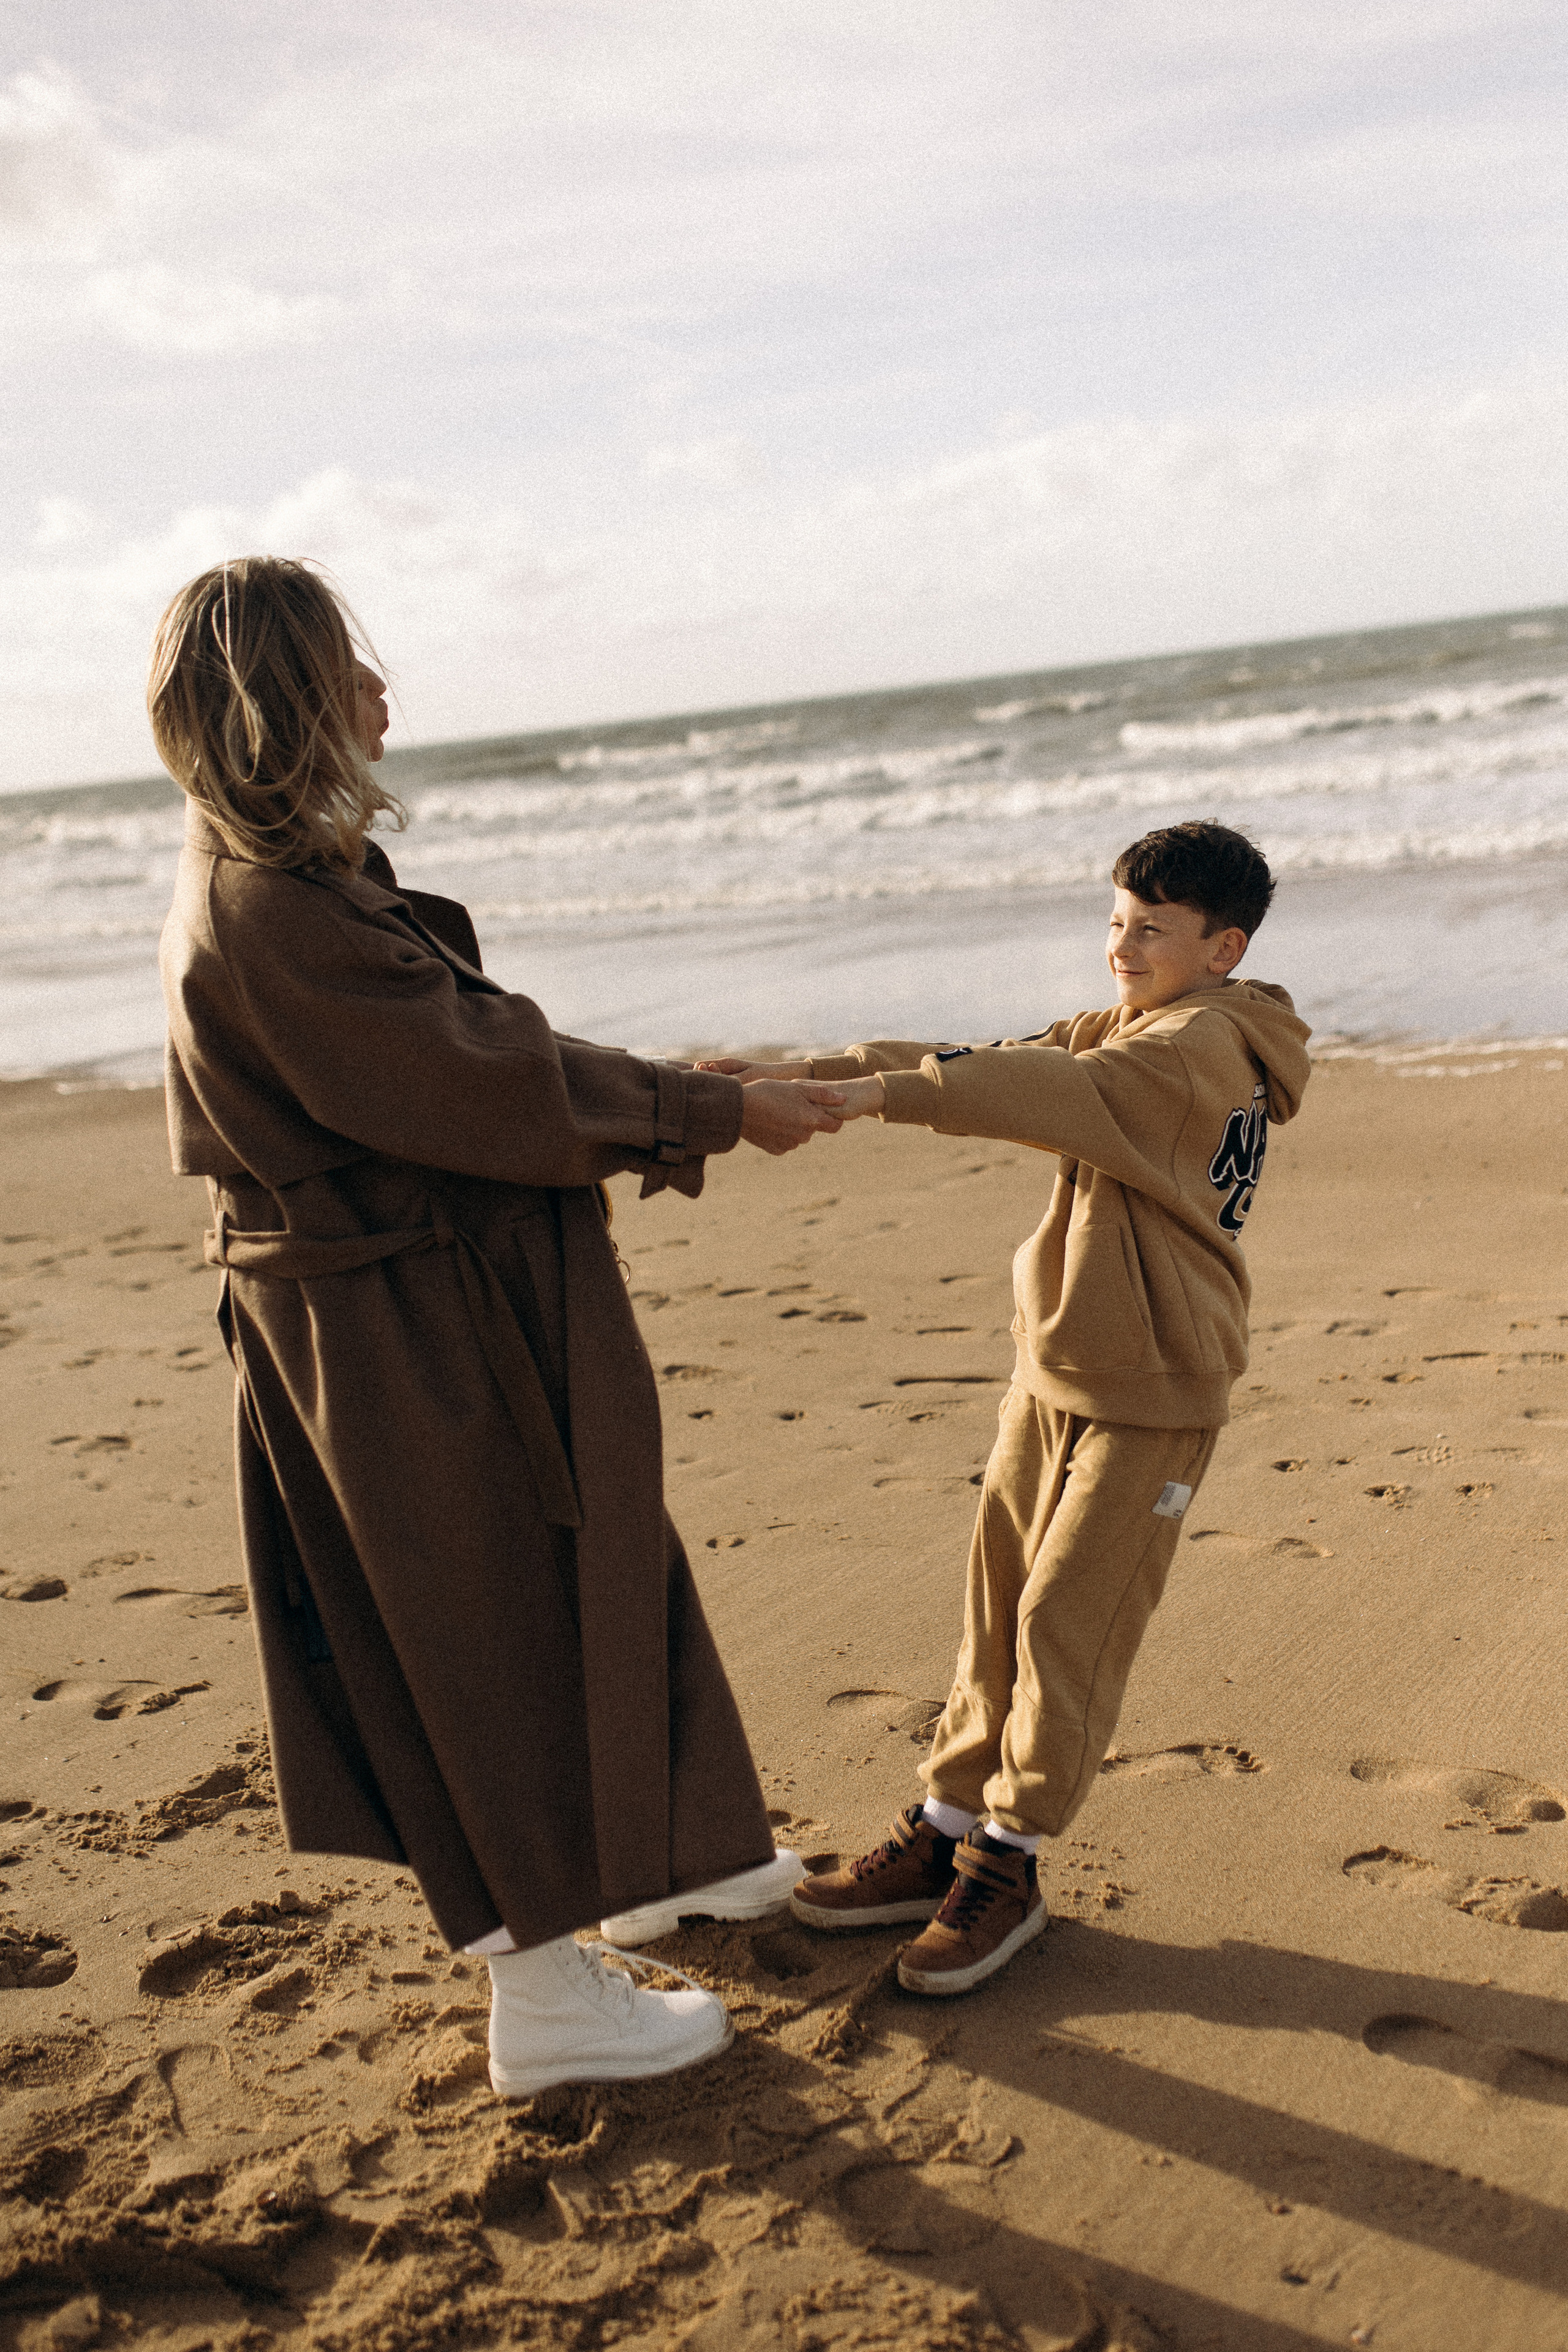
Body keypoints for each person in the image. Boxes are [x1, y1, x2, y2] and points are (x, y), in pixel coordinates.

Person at [150, 556, 847, 2095]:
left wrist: (699, 1097)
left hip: (423, 1302)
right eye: (350, 668)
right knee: (480, 1628)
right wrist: (708, 1110)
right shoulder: (269, 910)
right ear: (281, 699)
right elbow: (487, 1080)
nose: (381, 694)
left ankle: (672, 1856)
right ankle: (543, 1999)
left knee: (589, 1559)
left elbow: (477, 1045)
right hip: (398, 1334)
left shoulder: (292, 883)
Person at [703, 823, 1311, 1995]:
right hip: (1058, 1369)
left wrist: (869, 1098)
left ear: (1223, 949)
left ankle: (1009, 1864)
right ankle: (944, 1828)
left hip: (1155, 1386)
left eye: (1153, 929)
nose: (1122, 945)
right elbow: (996, 1054)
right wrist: (810, 1075)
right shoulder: (1131, 1023)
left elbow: (1049, 1090)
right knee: (996, 1607)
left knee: (1067, 1622)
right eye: (1116, 921)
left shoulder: (1200, 1046)